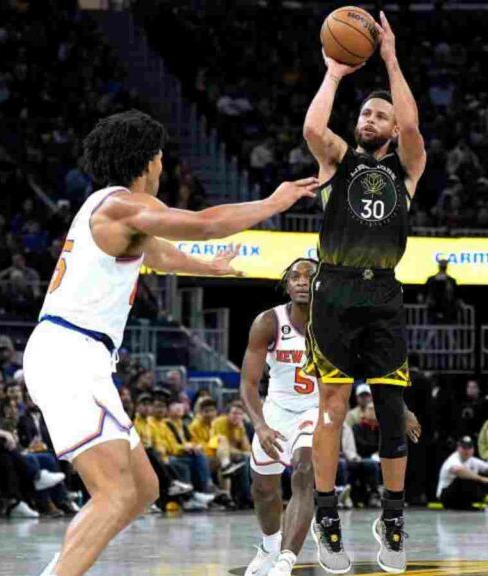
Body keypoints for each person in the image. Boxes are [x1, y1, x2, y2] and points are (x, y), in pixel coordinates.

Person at [24, 109, 317, 576]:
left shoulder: (107, 210)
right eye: (161, 158)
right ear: (149, 161)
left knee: (142, 488)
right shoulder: (122, 205)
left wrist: (209, 268)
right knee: (114, 493)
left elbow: (156, 253)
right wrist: (272, 204)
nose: (164, 167)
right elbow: (204, 223)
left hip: (80, 356)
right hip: (68, 355)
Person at [302, 11, 426, 574]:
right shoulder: (337, 161)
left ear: (394, 125)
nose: (372, 118)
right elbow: (311, 130)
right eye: (366, 112)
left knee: (392, 413)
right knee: (331, 409)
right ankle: (327, 519)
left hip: (384, 297)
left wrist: (392, 59)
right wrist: (333, 74)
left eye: (381, 113)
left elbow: (415, 128)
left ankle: (392, 520)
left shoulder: (407, 169)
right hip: (334, 292)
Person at [239, 269, 320, 576]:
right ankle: (269, 548)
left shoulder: (333, 321)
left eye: (311, 276)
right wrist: (260, 425)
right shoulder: (268, 322)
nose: (303, 281)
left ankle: (285, 562)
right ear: (287, 284)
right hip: (276, 411)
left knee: (304, 470)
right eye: (296, 276)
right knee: (263, 488)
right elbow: (248, 383)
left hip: (315, 409)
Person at [436, 436, 488, 511]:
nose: (466, 450)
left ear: (473, 449)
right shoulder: (453, 459)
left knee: (487, 475)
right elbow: (458, 470)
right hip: (446, 497)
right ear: (458, 448)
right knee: (467, 478)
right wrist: (482, 479)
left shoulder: (473, 460)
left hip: (462, 498)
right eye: (464, 447)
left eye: (469, 447)